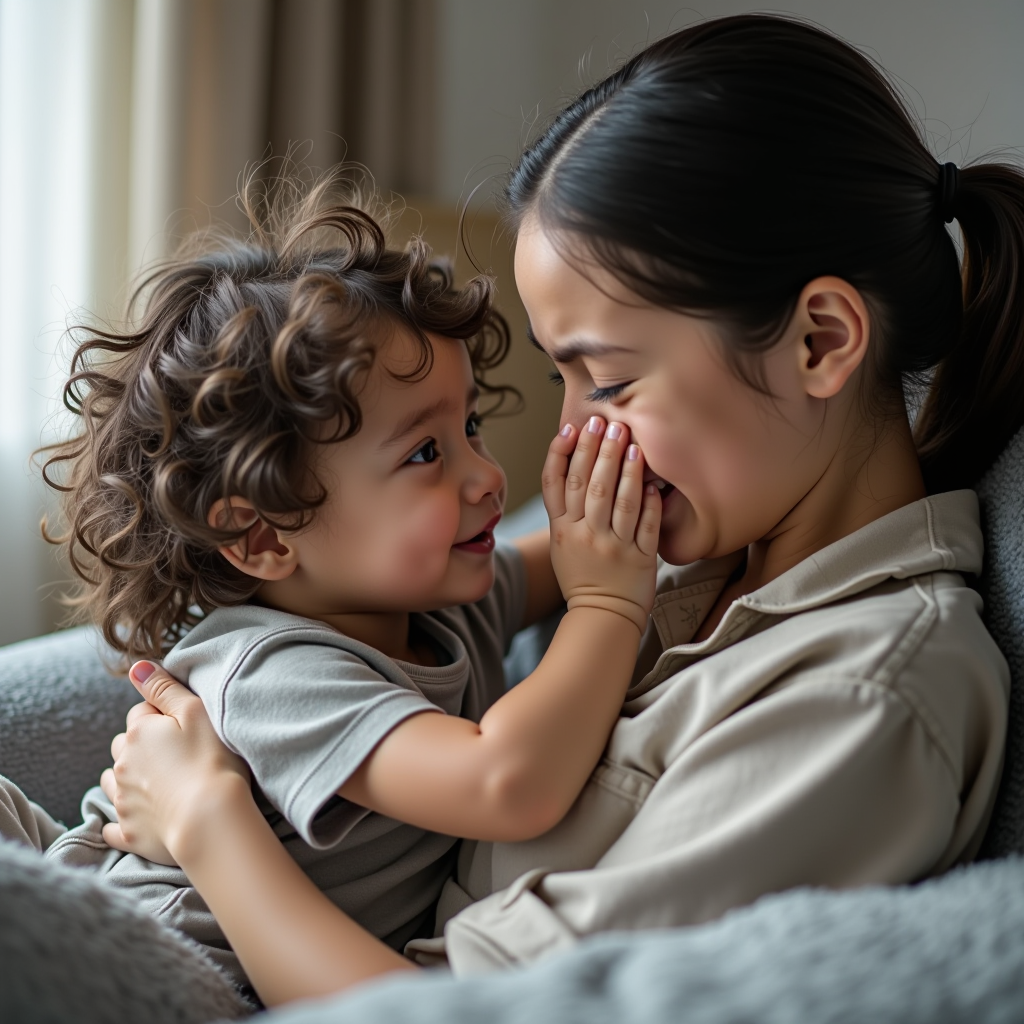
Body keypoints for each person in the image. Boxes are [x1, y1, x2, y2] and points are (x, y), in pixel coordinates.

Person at [99, 11, 1020, 1005]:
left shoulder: (859, 703)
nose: (568, 441)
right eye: (560, 380)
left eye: (610, 381)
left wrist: (208, 822)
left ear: (820, 341)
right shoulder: (696, 533)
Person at [0, 171, 661, 992]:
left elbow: (571, 555)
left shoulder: (438, 600)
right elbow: (508, 785)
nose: (488, 476)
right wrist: (608, 604)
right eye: (426, 453)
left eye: (471, 426)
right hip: (163, 968)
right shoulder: (279, 678)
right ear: (263, 536)